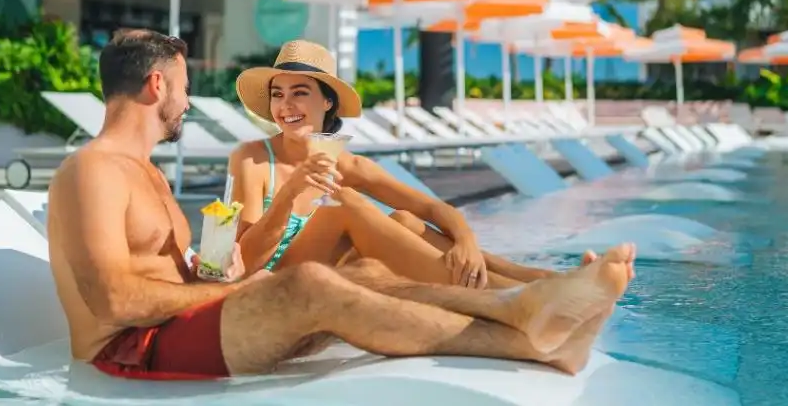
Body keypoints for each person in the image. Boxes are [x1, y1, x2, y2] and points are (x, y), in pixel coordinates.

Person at [46, 29, 637, 380]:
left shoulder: (146, 175)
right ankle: (524, 332)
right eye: (183, 88)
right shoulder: (92, 168)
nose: (187, 102)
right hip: (130, 354)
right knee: (310, 283)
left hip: (179, 326)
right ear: (156, 86)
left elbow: (181, 277)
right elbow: (117, 300)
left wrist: (214, 266)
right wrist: (234, 287)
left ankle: (523, 308)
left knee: (366, 271)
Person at [231, 40, 580, 289]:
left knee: (405, 220)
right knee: (347, 204)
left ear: (328, 102)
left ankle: (534, 280)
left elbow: (430, 205)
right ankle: (506, 295)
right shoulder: (253, 158)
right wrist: (290, 193)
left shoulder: (348, 165)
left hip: (330, 274)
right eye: (278, 94)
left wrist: (466, 241)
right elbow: (244, 260)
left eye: (300, 92)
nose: (286, 105)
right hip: (274, 284)